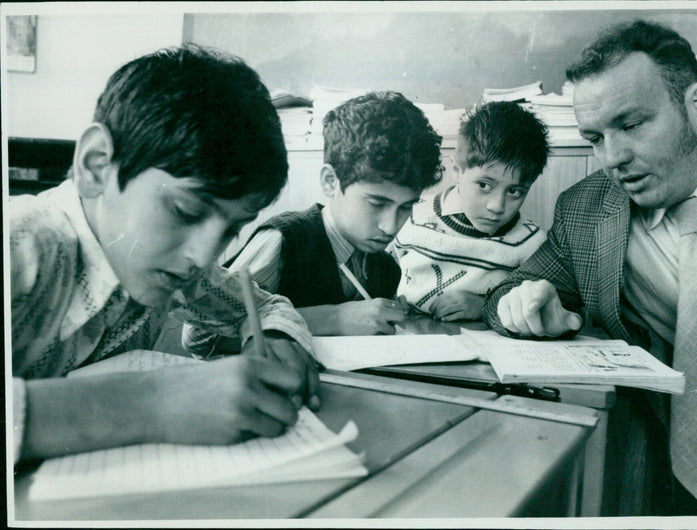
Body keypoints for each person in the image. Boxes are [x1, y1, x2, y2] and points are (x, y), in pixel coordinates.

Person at [483, 20, 697, 516]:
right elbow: (512, 292)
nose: (612, 158)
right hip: (694, 449)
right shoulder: (588, 210)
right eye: (595, 137)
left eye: (630, 125)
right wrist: (527, 307)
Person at [9, 45, 321, 464]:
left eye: (231, 228)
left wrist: (278, 339)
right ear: (97, 166)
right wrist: (153, 402)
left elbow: (266, 307)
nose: (204, 254)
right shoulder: (20, 246)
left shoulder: (173, 266)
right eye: (185, 210)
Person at [181, 90, 443, 355]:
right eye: (377, 203)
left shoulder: (385, 267)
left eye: (406, 207)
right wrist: (334, 319)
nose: (390, 227)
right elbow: (201, 337)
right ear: (331, 182)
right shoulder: (286, 240)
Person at [393, 101, 549, 321]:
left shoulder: (531, 243)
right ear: (457, 170)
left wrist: (485, 307)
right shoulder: (410, 215)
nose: (496, 206)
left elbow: (539, 307)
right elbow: (378, 276)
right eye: (484, 185)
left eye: (514, 191)